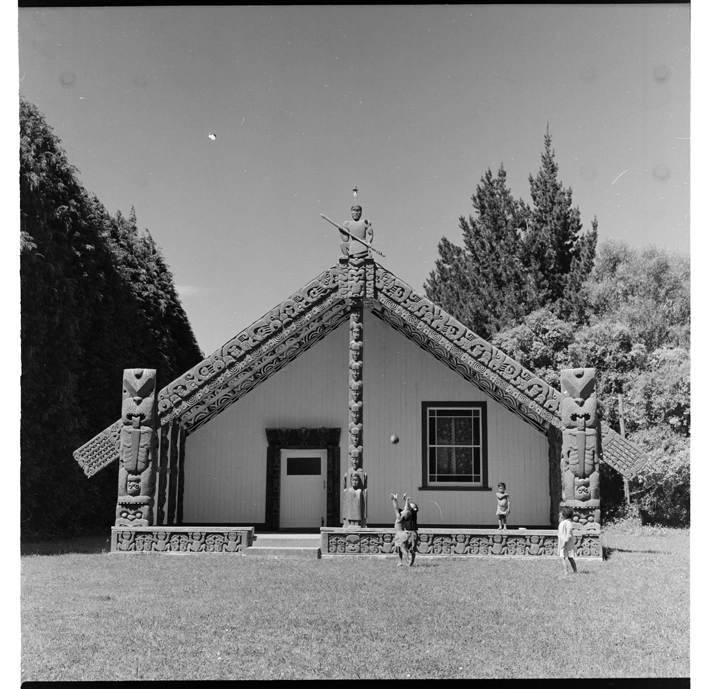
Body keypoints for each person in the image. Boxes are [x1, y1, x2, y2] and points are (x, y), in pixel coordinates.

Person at [390, 493, 419, 567]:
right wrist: (405, 501)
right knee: (402, 548)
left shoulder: (400, 517)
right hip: (404, 533)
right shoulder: (404, 515)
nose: (403, 510)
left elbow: (396, 508)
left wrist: (394, 500)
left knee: (403, 549)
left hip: (400, 535)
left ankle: (408, 560)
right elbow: (405, 509)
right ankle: (404, 561)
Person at [558, 506, 578, 574]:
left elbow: (568, 534)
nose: (559, 514)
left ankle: (567, 571)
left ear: (564, 514)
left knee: (566, 557)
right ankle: (569, 571)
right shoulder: (562, 523)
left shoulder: (568, 523)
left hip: (566, 542)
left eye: (560, 513)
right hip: (562, 541)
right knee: (564, 556)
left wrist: (565, 542)